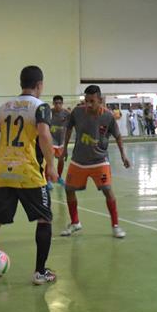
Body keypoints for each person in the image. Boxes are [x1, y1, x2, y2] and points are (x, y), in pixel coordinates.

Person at [0, 66, 57, 289]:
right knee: (44, 219)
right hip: (28, 173)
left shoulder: (3, 108)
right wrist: (52, 166)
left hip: (3, 174)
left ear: (21, 83)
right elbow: (44, 135)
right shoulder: (40, 107)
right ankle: (39, 272)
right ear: (40, 85)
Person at [60, 85, 131, 239]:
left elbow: (118, 136)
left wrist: (123, 155)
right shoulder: (77, 112)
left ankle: (115, 225)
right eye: (86, 101)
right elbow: (69, 128)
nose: (88, 104)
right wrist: (64, 148)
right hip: (79, 160)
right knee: (69, 189)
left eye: (92, 101)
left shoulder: (108, 116)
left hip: (100, 160)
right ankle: (75, 222)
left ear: (100, 100)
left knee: (107, 189)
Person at [49, 95, 70, 185]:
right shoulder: (49, 113)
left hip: (61, 141)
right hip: (51, 140)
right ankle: (48, 180)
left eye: (59, 103)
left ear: (62, 104)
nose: (58, 105)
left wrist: (66, 144)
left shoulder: (67, 114)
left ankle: (59, 177)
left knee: (61, 160)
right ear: (53, 103)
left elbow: (70, 127)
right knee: (49, 160)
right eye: (56, 103)